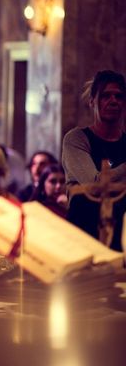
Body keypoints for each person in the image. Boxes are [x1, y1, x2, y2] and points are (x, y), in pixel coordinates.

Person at [62, 70, 126, 250]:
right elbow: (95, 183)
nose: (113, 100)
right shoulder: (77, 139)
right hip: (84, 230)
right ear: (92, 101)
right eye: (106, 96)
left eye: (118, 96)